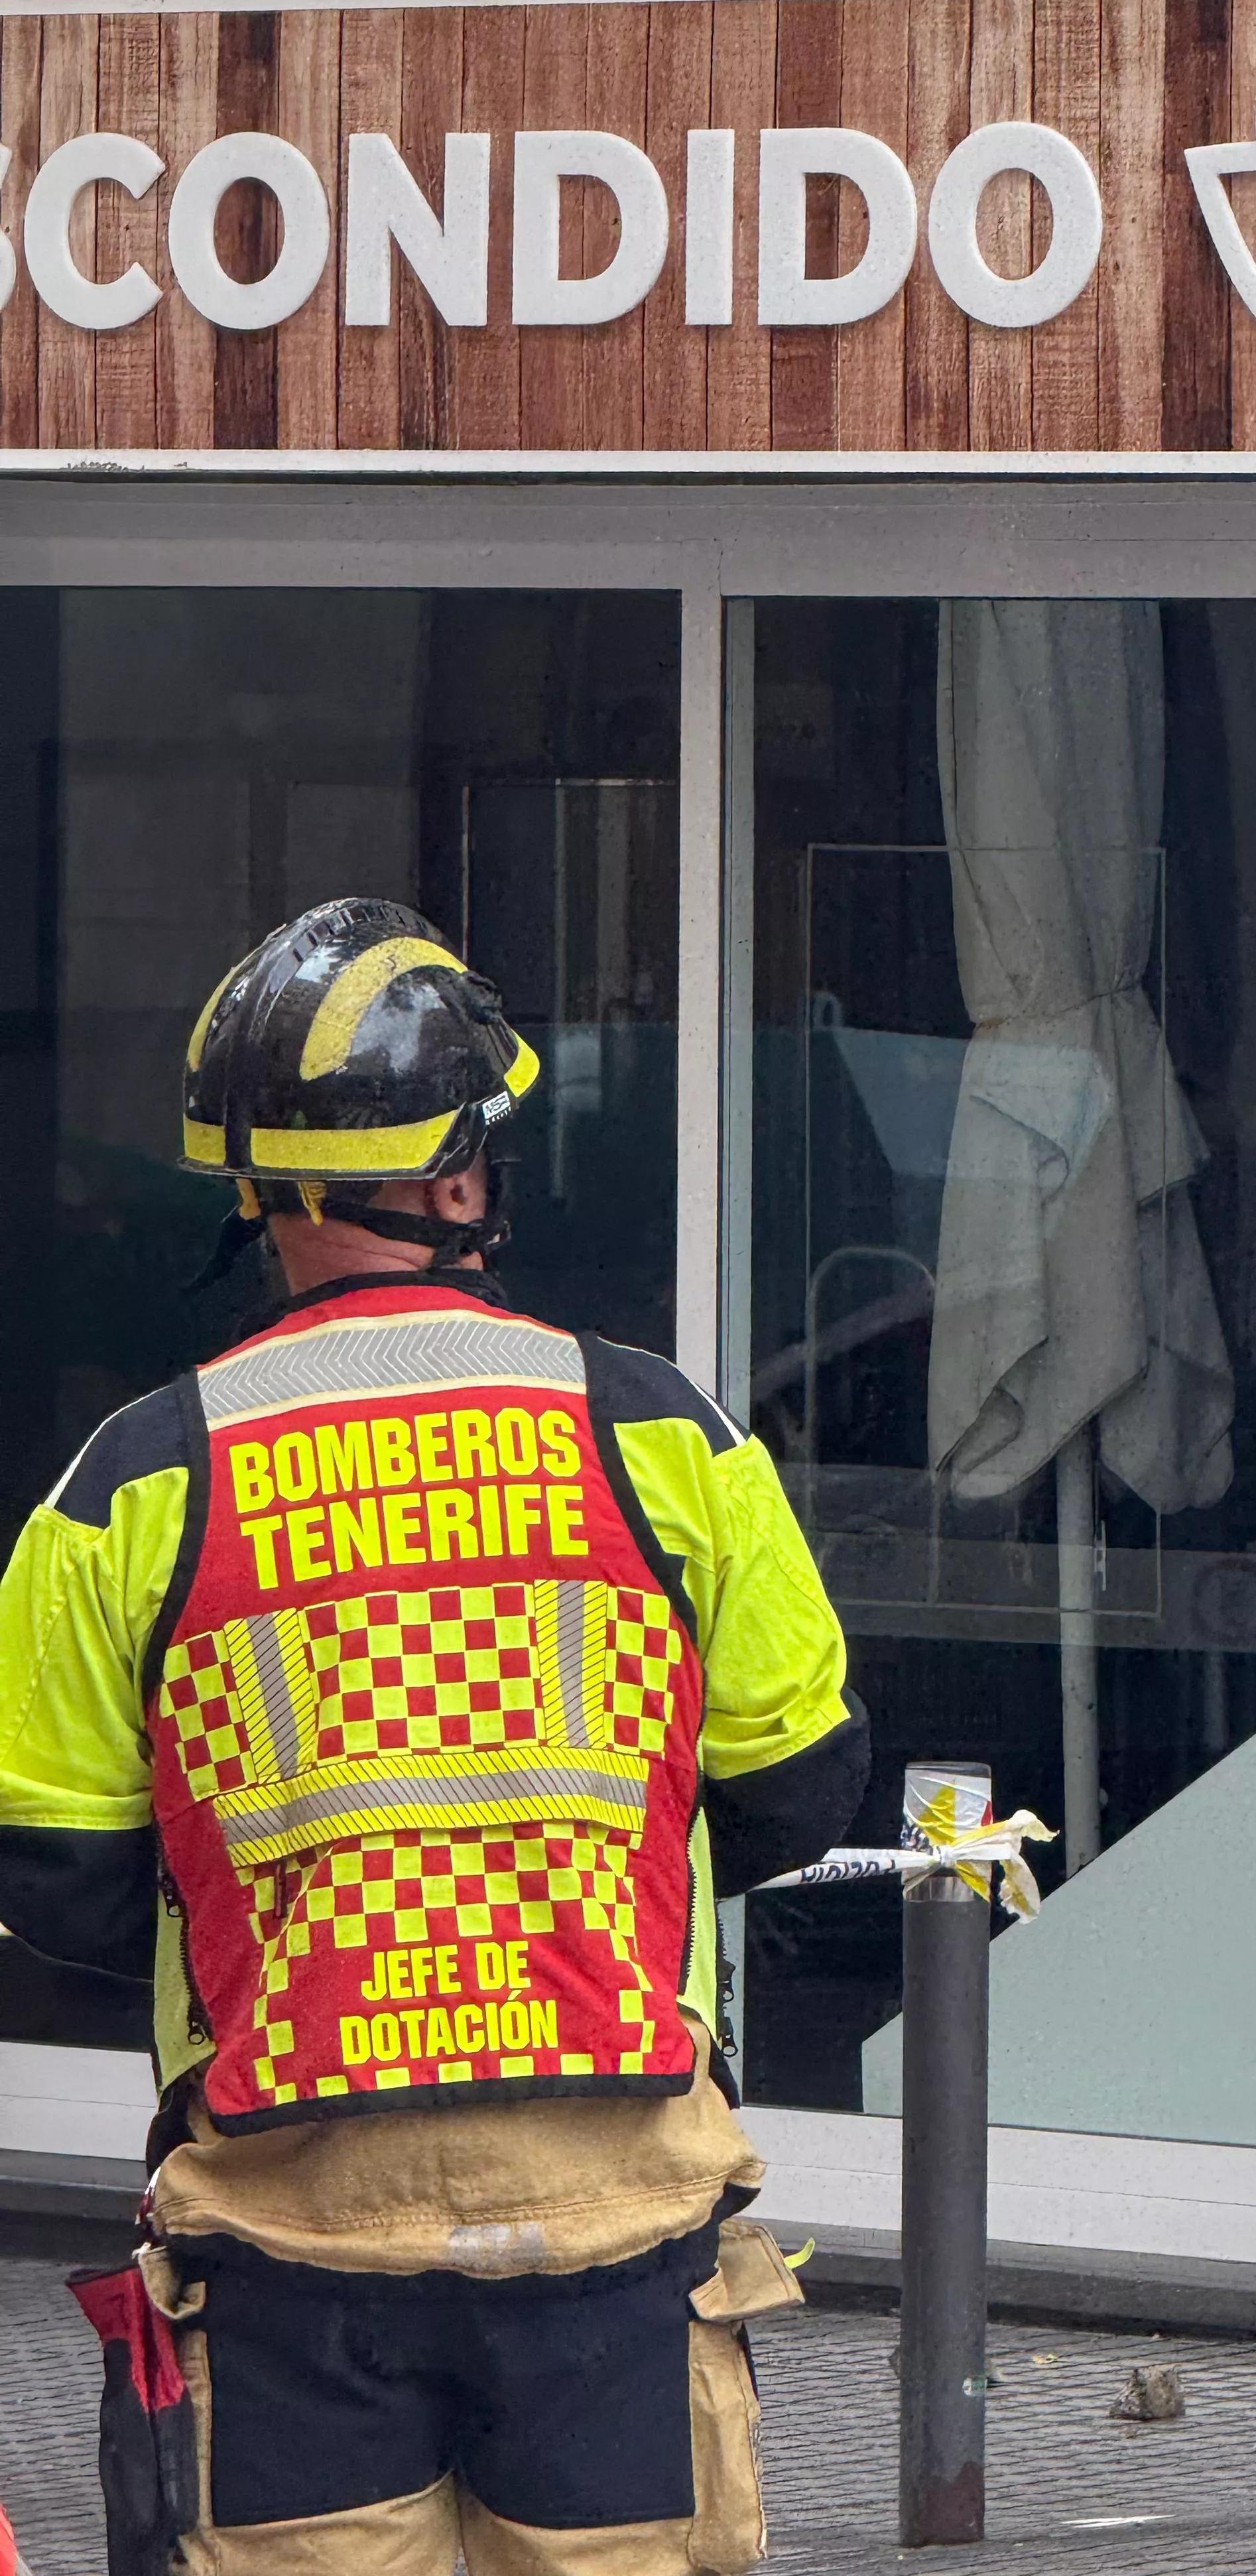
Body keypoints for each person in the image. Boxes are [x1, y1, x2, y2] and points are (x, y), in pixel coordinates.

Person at [0, 897, 867, 2573]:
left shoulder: (129, 1483)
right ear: (459, 1180)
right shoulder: (659, 1434)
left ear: (256, 1191)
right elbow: (798, 1788)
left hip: (288, 2232)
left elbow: (60, 1887)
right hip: (614, 2223)